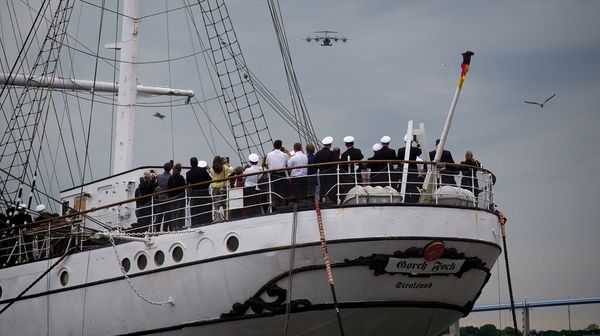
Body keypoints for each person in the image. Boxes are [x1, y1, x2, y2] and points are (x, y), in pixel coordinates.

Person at [186, 157, 213, 225]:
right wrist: (206, 186)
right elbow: (210, 179)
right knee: (205, 210)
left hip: (195, 195)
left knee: (196, 211)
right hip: (205, 193)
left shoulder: (188, 173)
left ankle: (196, 224)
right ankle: (207, 222)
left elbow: (188, 184)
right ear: (197, 163)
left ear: (190, 164)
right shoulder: (202, 170)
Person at [397, 135, 423, 202]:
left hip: (403, 170)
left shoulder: (400, 150)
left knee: (403, 185)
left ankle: (404, 198)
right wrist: (417, 143)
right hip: (413, 170)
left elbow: (399, 161)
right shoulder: (415, 150)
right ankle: (414, 199)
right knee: (413, 186)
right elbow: (420, 151)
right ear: (412, 141)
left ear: (404, 141)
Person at [265, 140, 289, 208]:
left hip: (273, 175)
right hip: (282, 174)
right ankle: (283, 204)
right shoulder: (284, 155)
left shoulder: (269, 154)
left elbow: (267, 165)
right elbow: (287, 165)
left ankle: (275, 204)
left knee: (274, 190)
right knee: (282, 190)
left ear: (273, 146)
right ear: (281, 146)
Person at [210, 155, 234, 220]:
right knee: (224, 204)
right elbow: (232, 169)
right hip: (223, 187)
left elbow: (211, 173)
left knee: (216, 204)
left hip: (215, 187)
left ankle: (216, 217)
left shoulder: (212, 169)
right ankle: (226, 218)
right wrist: (226, 163)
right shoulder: (225, 168)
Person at [315, 136, 338, 202]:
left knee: (322, 187)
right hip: (330, 174)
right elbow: (334, 164)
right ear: (330, 145)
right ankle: (330, 199)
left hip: (321, 174)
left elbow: (315, 165)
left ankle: (322, 199)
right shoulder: (331, 154)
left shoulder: (317, 154)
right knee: (330, 187)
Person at [167, 163, 186, 230]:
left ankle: (173, 227)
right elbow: (183, 188)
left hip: (172, 198)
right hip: (180, 198)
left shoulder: (170, 178)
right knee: (179, 212)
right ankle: (179, 226)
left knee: (173, 213)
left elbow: (168, 188)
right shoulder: (181, 178)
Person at [154, 162, 172, 230]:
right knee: (167, 215)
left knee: (160, 214)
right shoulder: (171, 177)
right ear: (170, 169)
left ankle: (157, 228)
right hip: (168, 198)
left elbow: (156, 186)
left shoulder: (159, 177)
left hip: (160, 198)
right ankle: (165, 229)